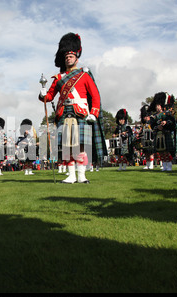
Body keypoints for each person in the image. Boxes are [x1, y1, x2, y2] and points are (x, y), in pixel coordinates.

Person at [39, 32, 107, 184]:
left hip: (81, 113)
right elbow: (49, 97)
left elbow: (95, 96)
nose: (68, 58)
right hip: (64, 113)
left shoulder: (84, 75)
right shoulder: (58, 78)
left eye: (71, 56)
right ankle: (71, 176)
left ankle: (82, 176)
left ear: (77, 57)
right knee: (67, 147)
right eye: (66, 57)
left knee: (81, 147)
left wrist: (94, 113)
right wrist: (42, 93)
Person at [149, 92, 177, 171]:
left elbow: (173, 123)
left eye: (158, 105)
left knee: (167, 151)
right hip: (158, 135)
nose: (157, 107)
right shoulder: (154, 116)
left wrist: (166, 123)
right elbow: (152, 125)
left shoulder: (167, 114)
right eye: (156, 105)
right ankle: (164, 166)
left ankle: (169, 165)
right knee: (161, 152)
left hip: (166, 134)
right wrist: (157, 127)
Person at [138, 104, 154, 170]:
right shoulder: (144, 124)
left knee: (150, 152)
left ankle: (151, 164)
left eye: (146, 116)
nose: (145, 118)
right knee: (146, 152)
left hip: (151, 138)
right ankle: (147, 164)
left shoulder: (152, 122)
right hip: (145, 139)